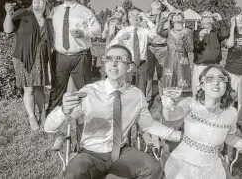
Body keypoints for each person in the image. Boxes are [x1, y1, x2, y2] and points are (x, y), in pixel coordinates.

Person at [44, 44, 182, 179]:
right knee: (73, 173)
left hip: (121, 152)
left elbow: (149, 125)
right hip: (91, 154)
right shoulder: (89, 92)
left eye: (119, 59)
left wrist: (178, 136)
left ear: (128, 67)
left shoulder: (136, 95)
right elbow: (49, 128)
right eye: (109, 59)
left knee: (153, 168)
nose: (113, 63)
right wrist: (64, 110)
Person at [161, 65, 242, 179]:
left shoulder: (231, 113)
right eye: (210, 79)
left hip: (211, 170)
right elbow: (170, 116)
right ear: (202, 85)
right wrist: (167, 106)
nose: (216, 83)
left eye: (221, 79)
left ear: (226, 85)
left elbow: (231, 139)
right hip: (182, 166)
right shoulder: (190, 104)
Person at [47, 0, 102, 115]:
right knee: (57, 88)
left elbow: (97, 29)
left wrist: (84, 33)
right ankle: (53, 116)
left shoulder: (85, 11)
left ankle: (88, 115)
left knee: (84, 88)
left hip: (81, 56)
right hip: (60, 56)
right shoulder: (54, 11)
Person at [3, 0, 52, 130]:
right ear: (32, 1)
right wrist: (8, 14)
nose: (38, 0)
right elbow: (8, 30)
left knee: (40, 87)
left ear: (46, 5)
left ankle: (42, 114)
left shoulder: (49, 21)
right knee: (29, 89)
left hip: (41, 58)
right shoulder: (23, 14)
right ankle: (32, 116)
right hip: (24, 57)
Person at [109, 7, 157, 95]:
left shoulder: (145, 31)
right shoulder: (123, 31)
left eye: (137, 15)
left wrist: (146, 18)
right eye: (132, 15)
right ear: (128, 18)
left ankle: (140, 106)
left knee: (141, 89)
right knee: (127, 88)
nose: (135, 17)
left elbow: (154, 32)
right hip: (128, 64)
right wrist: (120, 39)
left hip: (142, 64)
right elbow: (111, 46)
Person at [157, 9, 194, 97]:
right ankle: (169, 102)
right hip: (169, 60)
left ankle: (182, 101)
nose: (177, 15)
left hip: (182, 61)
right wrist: (165, 19)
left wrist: (183, 36)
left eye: (179, 14)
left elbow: (190, 49)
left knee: (182, 80)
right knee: (169, 80)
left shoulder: (188, 31)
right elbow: (158, 31)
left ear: (183, 19)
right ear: (172, 19)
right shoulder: (169, 31)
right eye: (174, 14)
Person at [145, 0, 176, 103]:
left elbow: (176, 13)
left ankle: (164, 97)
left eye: (158, 1)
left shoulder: (165, 15)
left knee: (161, 74)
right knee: (148, 74)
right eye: (154, 0)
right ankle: (147, 97)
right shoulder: (145, 16)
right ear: (150, 5)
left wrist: (166, 2)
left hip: (162, 47)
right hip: (149, 47)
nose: (156, 1)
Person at [192, 11, 229, 97]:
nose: (208, 17)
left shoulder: (216, 33)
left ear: (213, 20)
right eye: (205, 16)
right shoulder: (196, 32)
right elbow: (195, 48)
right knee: (198, 90)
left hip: (214, 67)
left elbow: (225, 34)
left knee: (213, 90)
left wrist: (220, 20)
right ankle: (197, 109)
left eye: (210, 15)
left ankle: (211, 109)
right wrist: (200, 38)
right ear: (201, 21)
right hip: (201, 67)